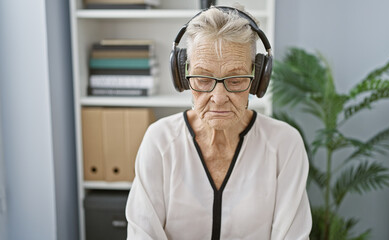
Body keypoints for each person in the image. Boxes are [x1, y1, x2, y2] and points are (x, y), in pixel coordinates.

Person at [125, 5, 312, 240]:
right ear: (183, 76)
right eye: (203, 78)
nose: (219, 98)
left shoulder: (284, 145)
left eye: (235, 79)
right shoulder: (160, 141)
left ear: (257, 79)